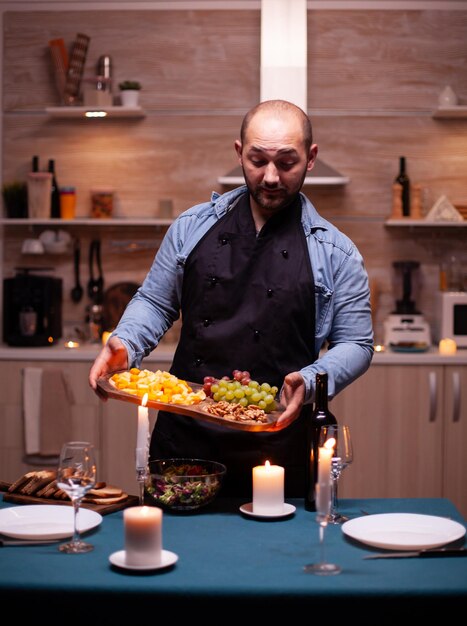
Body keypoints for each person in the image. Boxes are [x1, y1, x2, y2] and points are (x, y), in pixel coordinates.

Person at [89, 99, 374, 497]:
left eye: (287, 163)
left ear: (311, 159)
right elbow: (155, 302)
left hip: (279, 440)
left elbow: (357, 343)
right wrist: (126, 342)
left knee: (280, 556)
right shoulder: (190, 227)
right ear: (239, 152)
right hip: (187, 438)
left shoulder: (338, 253)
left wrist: (309, 382)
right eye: (258, 160)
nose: (271, 177)